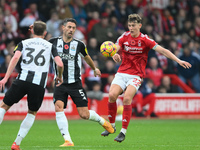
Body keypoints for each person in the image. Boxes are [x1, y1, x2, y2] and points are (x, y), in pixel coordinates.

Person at [101, 14, 192, 142]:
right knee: (111, 96)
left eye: (133, 25)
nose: (131, 28)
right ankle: (111, 126)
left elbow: (163, 51)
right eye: (129, 25)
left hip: (136, 75)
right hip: (122, 72)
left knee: (127, 98)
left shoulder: (145, 40)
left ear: (140, 25)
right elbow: (115, 47)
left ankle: (123, 131)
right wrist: (114, 54)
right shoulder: (124, 37)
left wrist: (178, 60)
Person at [48, 18, 114, 147]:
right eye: (69, 27)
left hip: (75, 83)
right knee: (58, 107)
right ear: (63, 27)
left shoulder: (79, 44)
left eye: (73, 28)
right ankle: (68, 140)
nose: (71, 30)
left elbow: (87, 57)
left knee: (84, 114)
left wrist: (94, 69)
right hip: (60, 82)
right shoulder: (53, 42)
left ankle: (103, 122)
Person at [0, 21, 64, 150]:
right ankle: (16, 143)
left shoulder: (23, 43)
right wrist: (59, 76)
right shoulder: (50, 46)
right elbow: (60, 64)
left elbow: (15, 58)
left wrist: (6, 77)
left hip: (22, 80)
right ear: (45, 33)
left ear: (32, 30)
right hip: (38, 84)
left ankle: (16, 144)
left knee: (4, 106)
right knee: (32, 112)